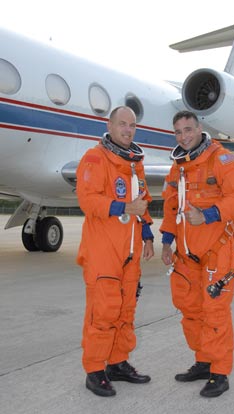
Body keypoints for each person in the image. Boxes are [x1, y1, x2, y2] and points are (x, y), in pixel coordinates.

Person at [160, 110, 234, 398]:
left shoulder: (222, 159)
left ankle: (220, 373)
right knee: (190, 310)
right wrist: (166, 240)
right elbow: (171, 205)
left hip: (217, 250)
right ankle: (203, 361)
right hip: (187, 253)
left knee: (215, 314)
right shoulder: (178, 166)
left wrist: (210, 214)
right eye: (178, 132)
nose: (184, 136)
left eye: (188, 129)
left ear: (199, 129)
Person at [76, 106, 154, 397]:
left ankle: (118, 363)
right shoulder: (95, 158)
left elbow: (143, 200)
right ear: (109, 126)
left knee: (126, 309)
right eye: (122, 124)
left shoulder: (134, 163)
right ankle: (95, 370)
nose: (127, 130)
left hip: (130, 251)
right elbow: (88, 200)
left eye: (132, 126)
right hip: (103, 250)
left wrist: (147, 233)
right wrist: (123, 208)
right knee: (103, 311)